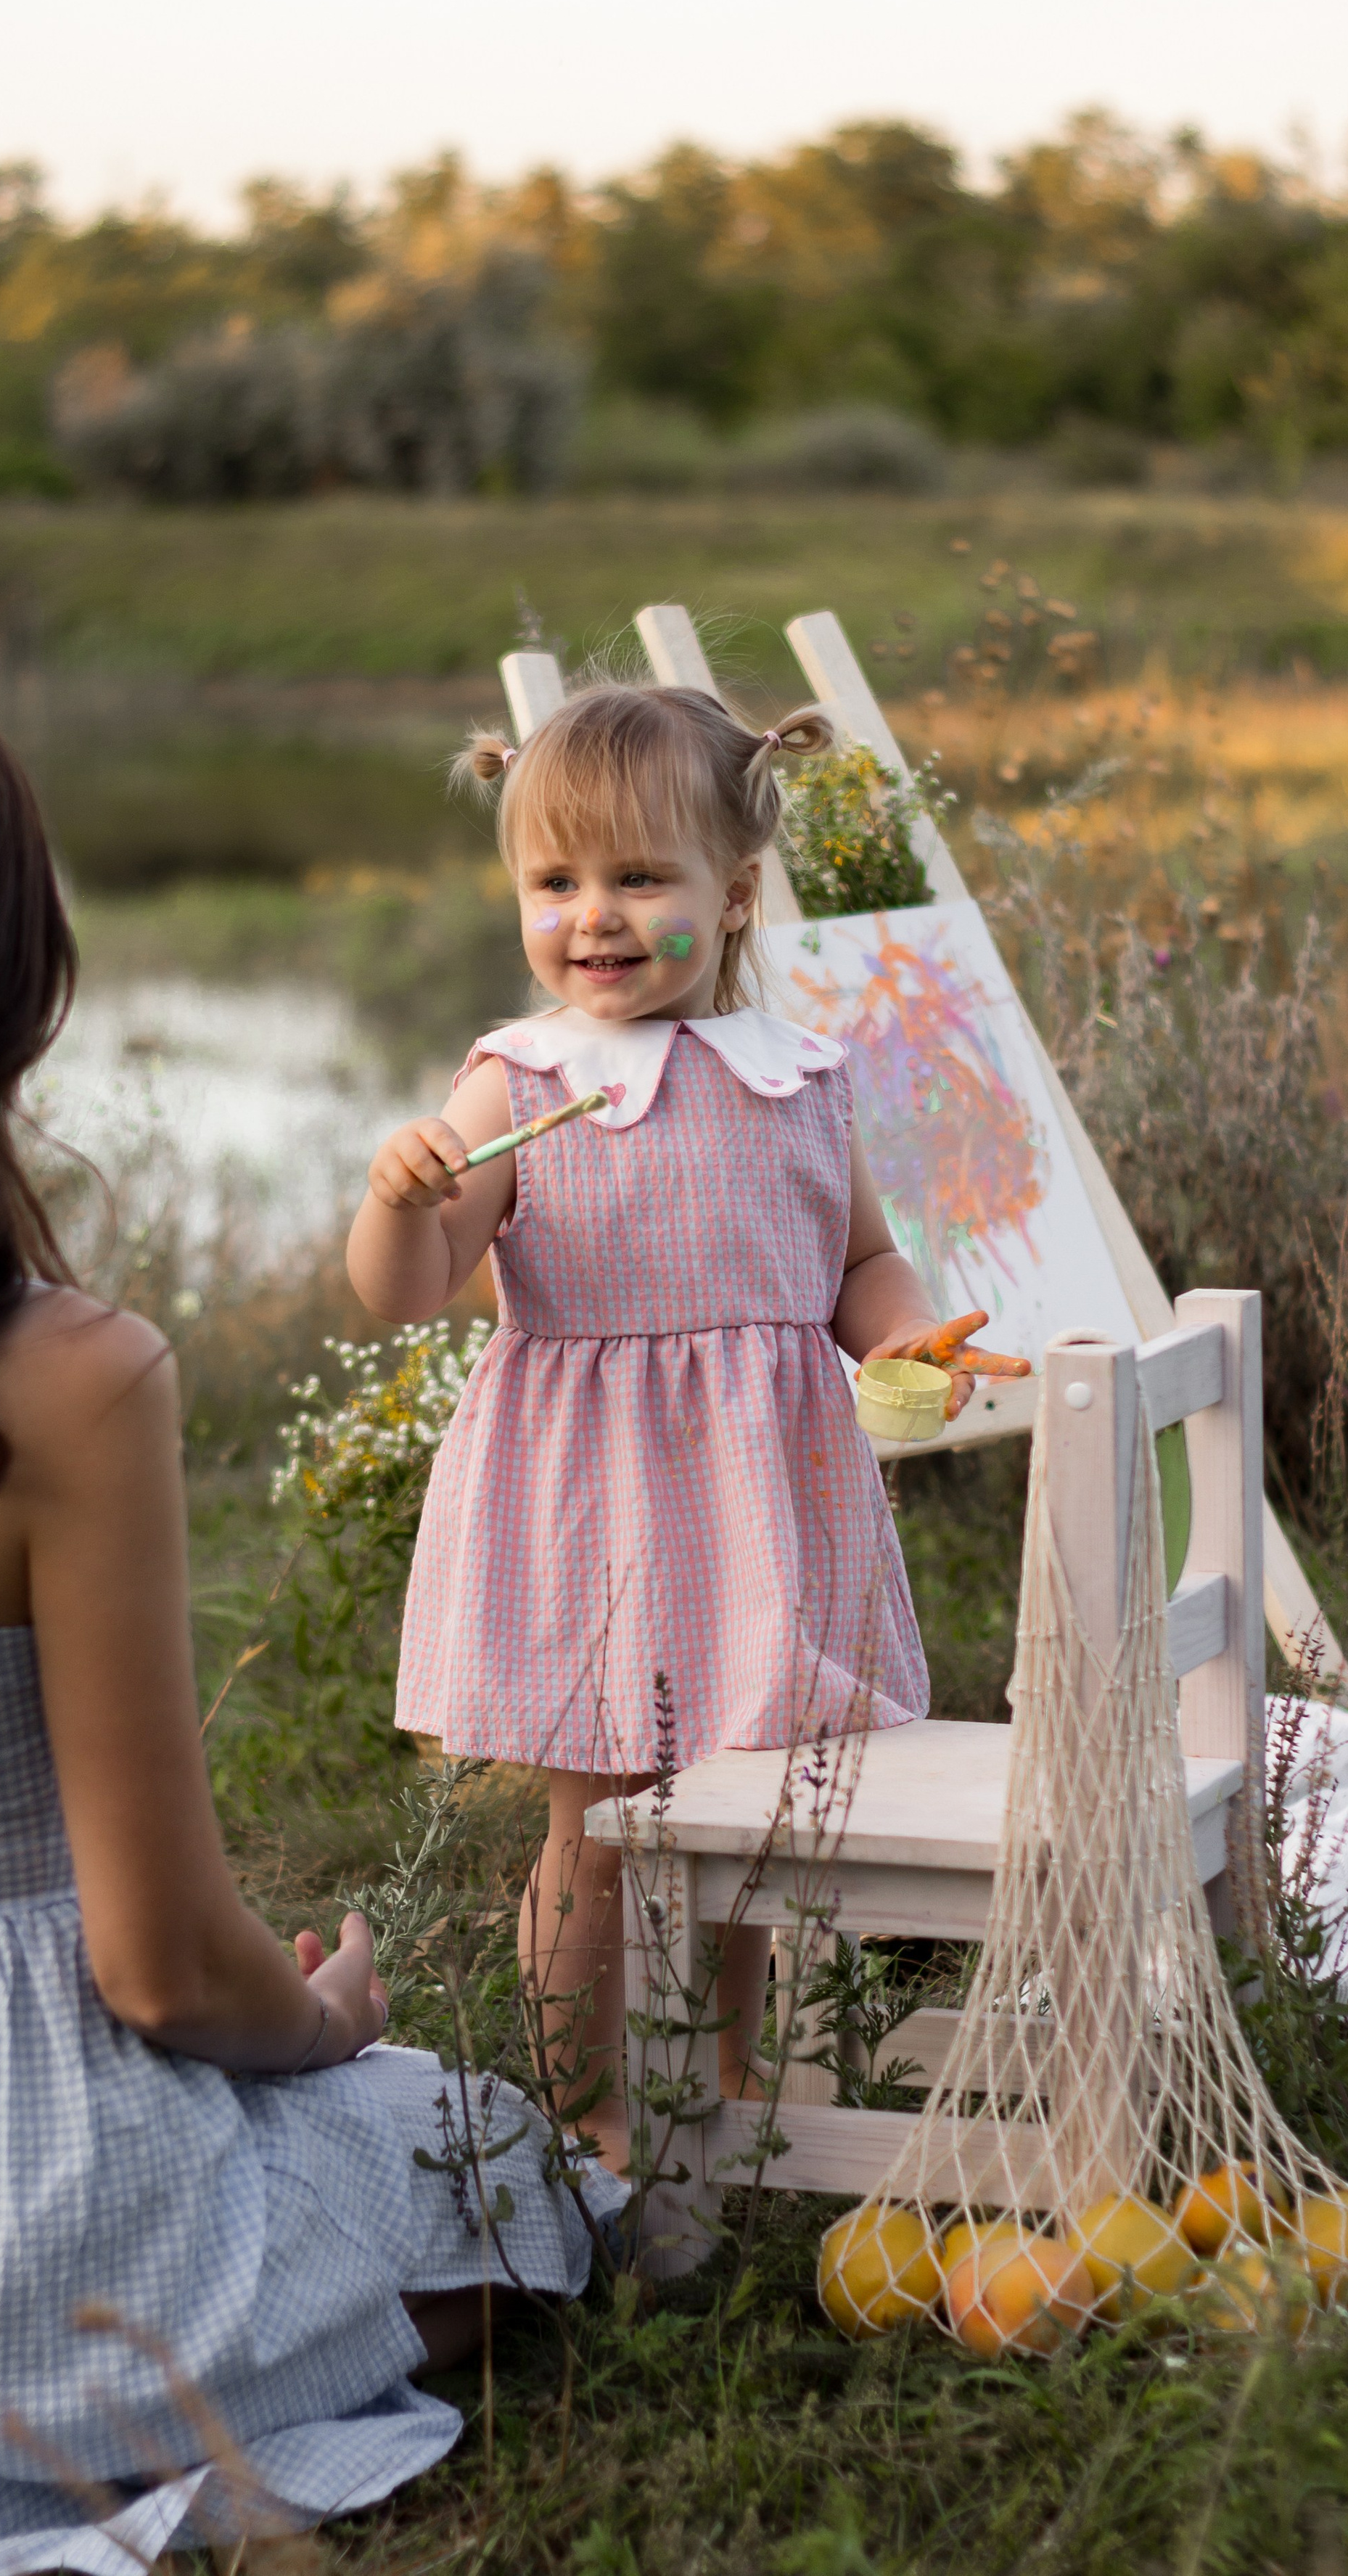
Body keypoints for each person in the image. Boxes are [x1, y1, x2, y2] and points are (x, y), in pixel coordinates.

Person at [0, 670, 619, 2576]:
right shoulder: (63, 1381)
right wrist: (322, 2022)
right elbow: (165, 1972)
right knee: (513, 2181)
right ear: (0, 971)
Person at [349, 684, 974, 2171]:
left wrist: (899, 1331)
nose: (593, 919)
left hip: (763, 1503)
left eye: (638, 879)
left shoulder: (797, 1081)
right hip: (590, 1509)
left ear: (735, 893)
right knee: (594, 1827)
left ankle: (736, 2078)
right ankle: (591, 2114)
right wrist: (394, 1203)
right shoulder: (522, 1082)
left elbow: (855, 1266)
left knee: (749, 1819)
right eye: (553, 883)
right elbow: (412, 1288)